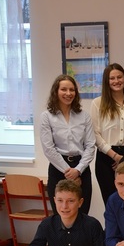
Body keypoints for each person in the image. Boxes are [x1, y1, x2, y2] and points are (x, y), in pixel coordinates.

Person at [40, 74, 96, 215]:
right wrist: (69, 173)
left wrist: (78, 170)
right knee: (61, 215)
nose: (68, 93)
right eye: (64, 89)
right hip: (58, 168)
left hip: (81, 168)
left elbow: (90, 145)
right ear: (56, 91)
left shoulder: (84, 116)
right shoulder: (47, 117)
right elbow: (48, 149)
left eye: (72, 90)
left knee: (82, 214)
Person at [90, 63, 124, 204]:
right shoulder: (97, 103)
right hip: (106, 157)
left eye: (119, 77)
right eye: (112, 78)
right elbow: (95, 133)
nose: (116, 81)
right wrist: (115, 156)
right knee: (110, 202)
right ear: (106, 81)